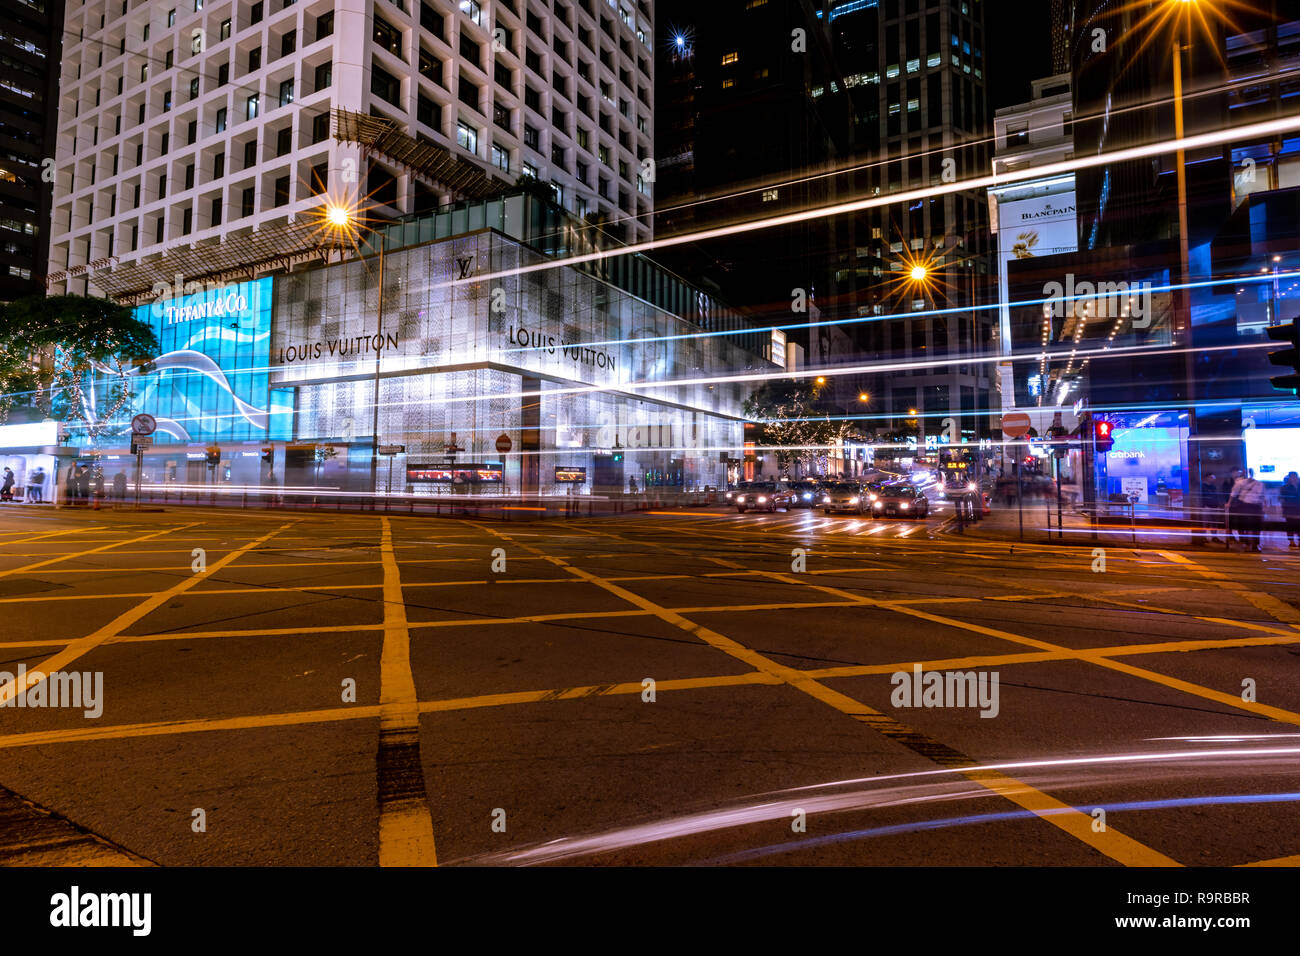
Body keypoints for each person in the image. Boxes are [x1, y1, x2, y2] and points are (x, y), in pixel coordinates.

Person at [1228, 468, 1266, 552]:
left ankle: (1254, 544)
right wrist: (1229, 503)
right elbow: (1233, 493)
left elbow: (1262, 496)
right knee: (1249, 526)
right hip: (1246, 506)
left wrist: (1263, 506)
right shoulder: (1242, 482)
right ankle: (1249, 544)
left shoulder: (1259, 484)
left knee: (1255, 527)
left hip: (1253, 506)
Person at [1200, 473, 1223, 544]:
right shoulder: (1202, 486)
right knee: (1205, 523)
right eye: (1211, 477)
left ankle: (1214, 537)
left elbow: (1217, 496)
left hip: (1215, 506)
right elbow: (1202, 497)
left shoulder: (1213, 486)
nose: (1213, 479)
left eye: (1214, 477)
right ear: (1207, 477)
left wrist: (1218, 505)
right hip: (1206, 507)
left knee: (1214, 523)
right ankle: (1204, 537)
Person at [1280, 471, 1300, 550]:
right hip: (1290, 510)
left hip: (1299, 509)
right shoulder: (1285, 488)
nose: (1294, 478)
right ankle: (1291, 541)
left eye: (1296, 476)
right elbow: (1286, 499)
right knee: (1290, 526)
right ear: (1289, 478)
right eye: (1292, 477)